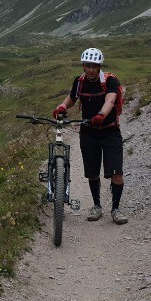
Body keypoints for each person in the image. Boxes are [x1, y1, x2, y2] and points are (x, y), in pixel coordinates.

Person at [52, 47, 128, 225]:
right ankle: (97, 206)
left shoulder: (110, 80)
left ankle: (116, 209)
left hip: (110, 131)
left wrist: (101, 114)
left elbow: (110, 100)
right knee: (92, 173)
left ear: (100, 66)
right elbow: (72, 98)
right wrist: (62, 107)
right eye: (88, 66)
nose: (91, 69)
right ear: (83, 66)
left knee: (116, 173)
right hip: (88, 132)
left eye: (95, 66)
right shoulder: (79, 82)